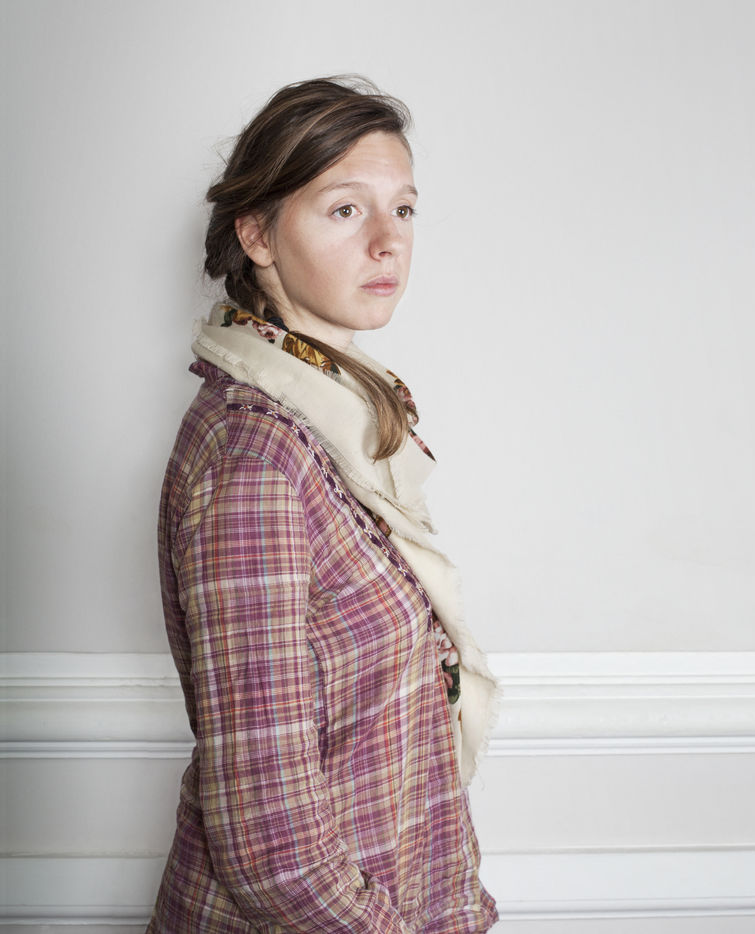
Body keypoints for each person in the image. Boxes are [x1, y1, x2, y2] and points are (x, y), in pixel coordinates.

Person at [148, 76, 499, 933]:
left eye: (403, 209)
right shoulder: (257, 462)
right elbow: (272, 848)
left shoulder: (338, 422)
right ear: (257, 233)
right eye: (345, 210)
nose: (388, 241)